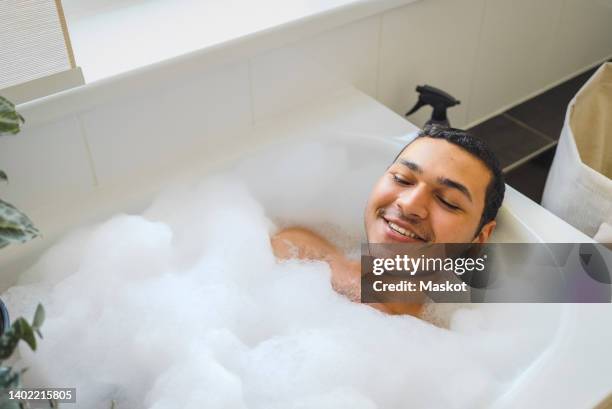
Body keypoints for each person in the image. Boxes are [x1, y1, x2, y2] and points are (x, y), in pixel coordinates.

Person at [271, 124, 505, 316]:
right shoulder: (298, 252)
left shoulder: (441, 354)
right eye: (402, 179)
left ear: (480, 237)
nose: (410, 204)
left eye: (448, 201)